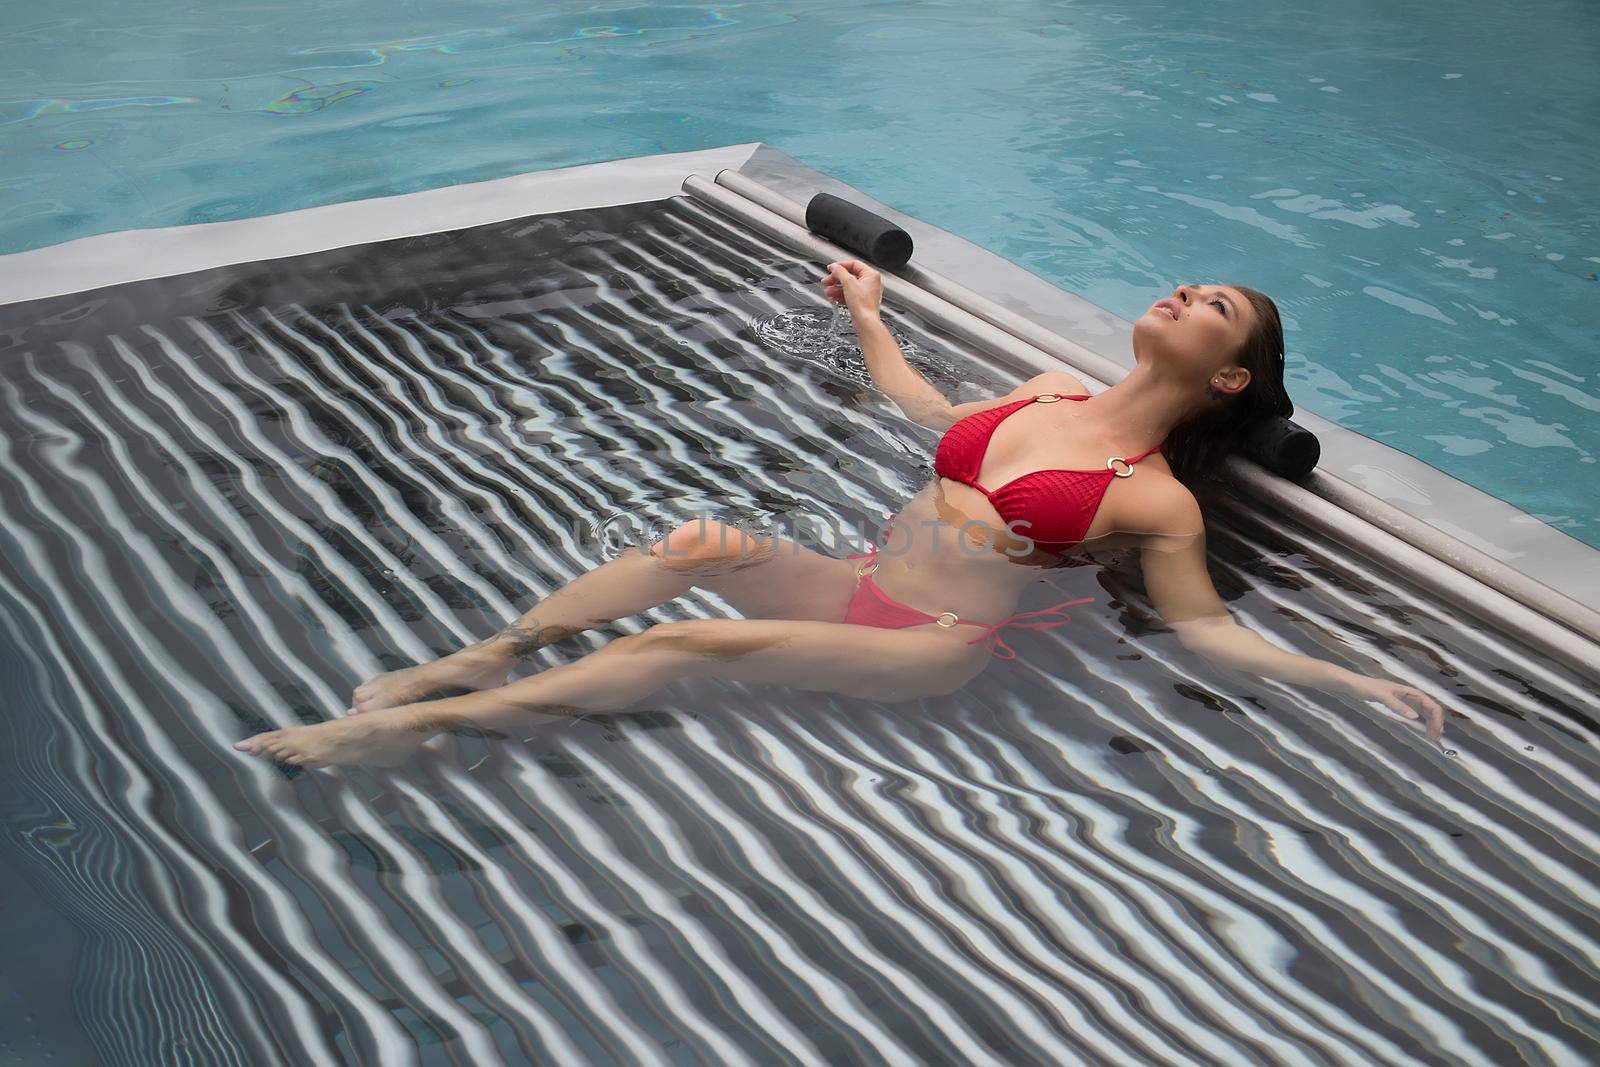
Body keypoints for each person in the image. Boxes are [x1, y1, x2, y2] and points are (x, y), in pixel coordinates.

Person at [236, 259, 1445, 767]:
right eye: (1189, 281)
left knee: (681, 641)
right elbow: (924, 406)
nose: (1185, 289)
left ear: (1229, 374)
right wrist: (868, 308)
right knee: (690, 548)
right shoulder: (1044, 389)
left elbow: (1207, 631)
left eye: (1215, 303)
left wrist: (1348, 678)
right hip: (855, 580)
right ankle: (491, 651)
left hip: (924, 648)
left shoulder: (1154, 495)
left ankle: (407, 733)